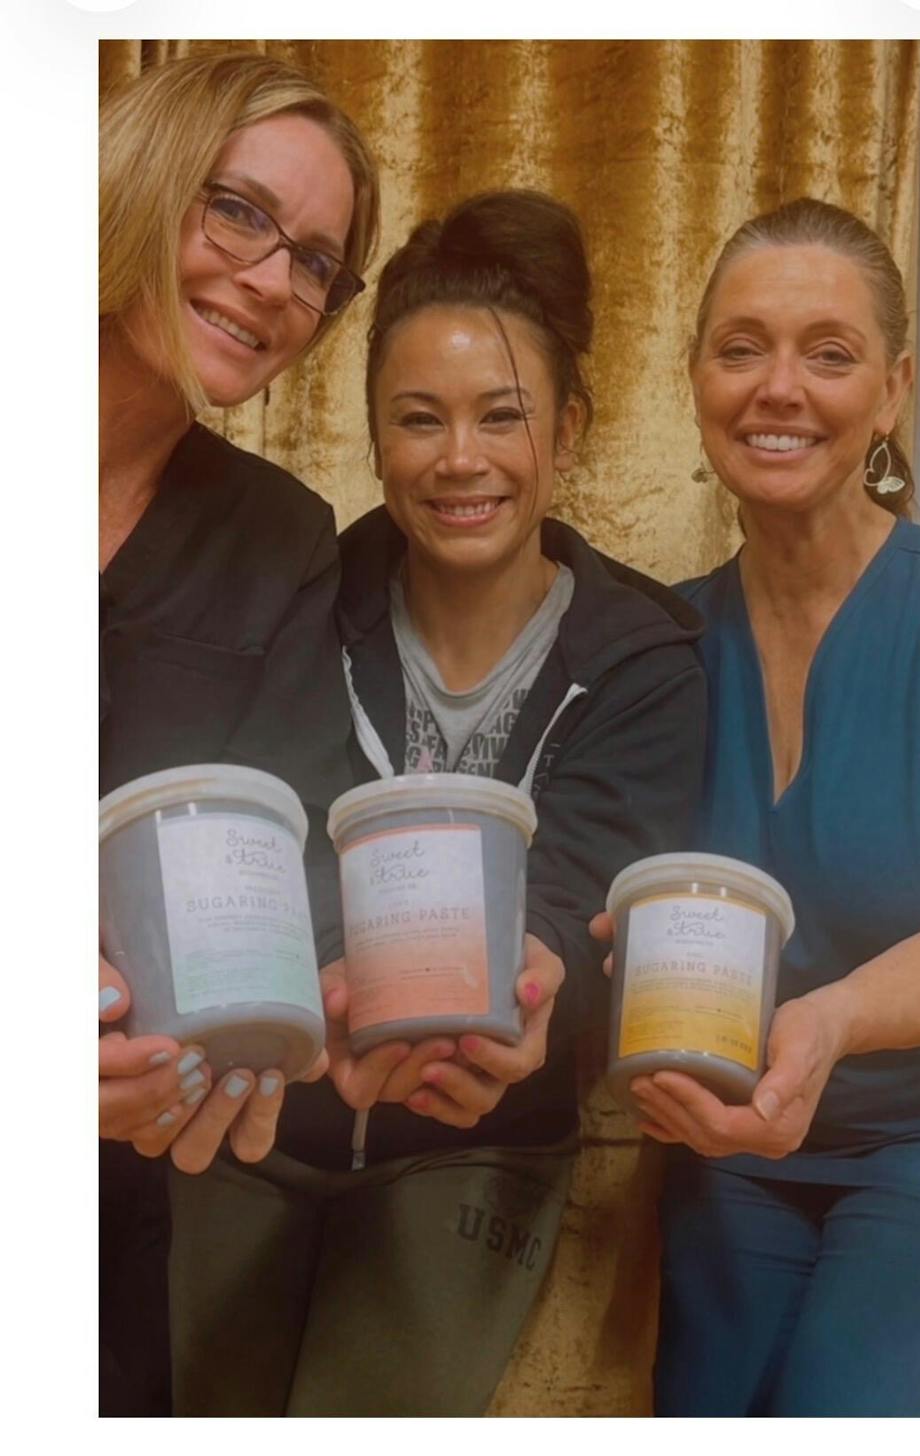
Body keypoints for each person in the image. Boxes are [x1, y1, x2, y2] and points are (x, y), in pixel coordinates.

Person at [165, 189, 708, 1417]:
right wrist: (325, 993)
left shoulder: (644, 661)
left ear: (568, 430)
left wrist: (536, 983)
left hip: (479, 1135)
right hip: (264, 1111)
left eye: (500, 415)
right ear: (373, 438)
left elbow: (581, 896)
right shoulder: (300, 590)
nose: (460, 458)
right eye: (419, 418)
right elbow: (261, 830)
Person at [98, 52, 380, 1414]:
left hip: (115, 1179)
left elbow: (286, 844)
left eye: (317, 262)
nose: (273, 282)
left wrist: (344, 998)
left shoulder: (278, 537)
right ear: (139, 178)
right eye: (239, 211)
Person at [622, 198, 920, 1416]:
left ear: (892, 390)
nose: (778, 388)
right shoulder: (657, 646)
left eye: (829, 353)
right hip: (726, 1146)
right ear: (696, 377)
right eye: (741, 347)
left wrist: (838, 1019)